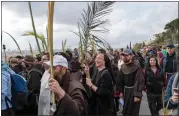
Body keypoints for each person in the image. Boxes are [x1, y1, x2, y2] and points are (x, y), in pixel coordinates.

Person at [118, 49, 145, 116]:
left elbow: (139, 81)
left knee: (133, 112)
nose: (124, 57)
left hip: (134, 92)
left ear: (131, 56)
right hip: (125, 91)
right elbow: (120, 80)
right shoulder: (122, 67)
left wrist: (137, 95)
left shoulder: (137, 66)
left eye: (126, 55)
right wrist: (121, 91)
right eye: (123, 55)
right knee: (125, 111)